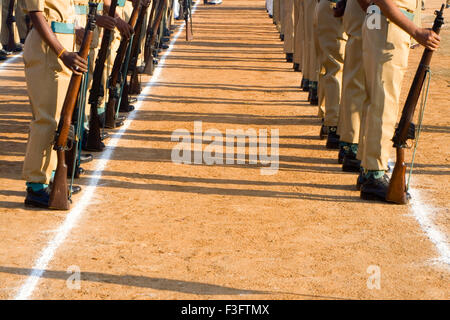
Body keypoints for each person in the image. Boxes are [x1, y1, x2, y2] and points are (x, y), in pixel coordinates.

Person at [356, 0, 440, 201]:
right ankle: (374, 173)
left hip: (383, 21)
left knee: (375, 98)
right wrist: (416, 31)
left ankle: (368, 168)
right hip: (389, 24)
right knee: (384, 101)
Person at [316, 0, 347, 150]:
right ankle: (334, 125)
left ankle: (331, 120)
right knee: (336, 68)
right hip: (336, 7)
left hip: (335, 7)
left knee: (332, 67)